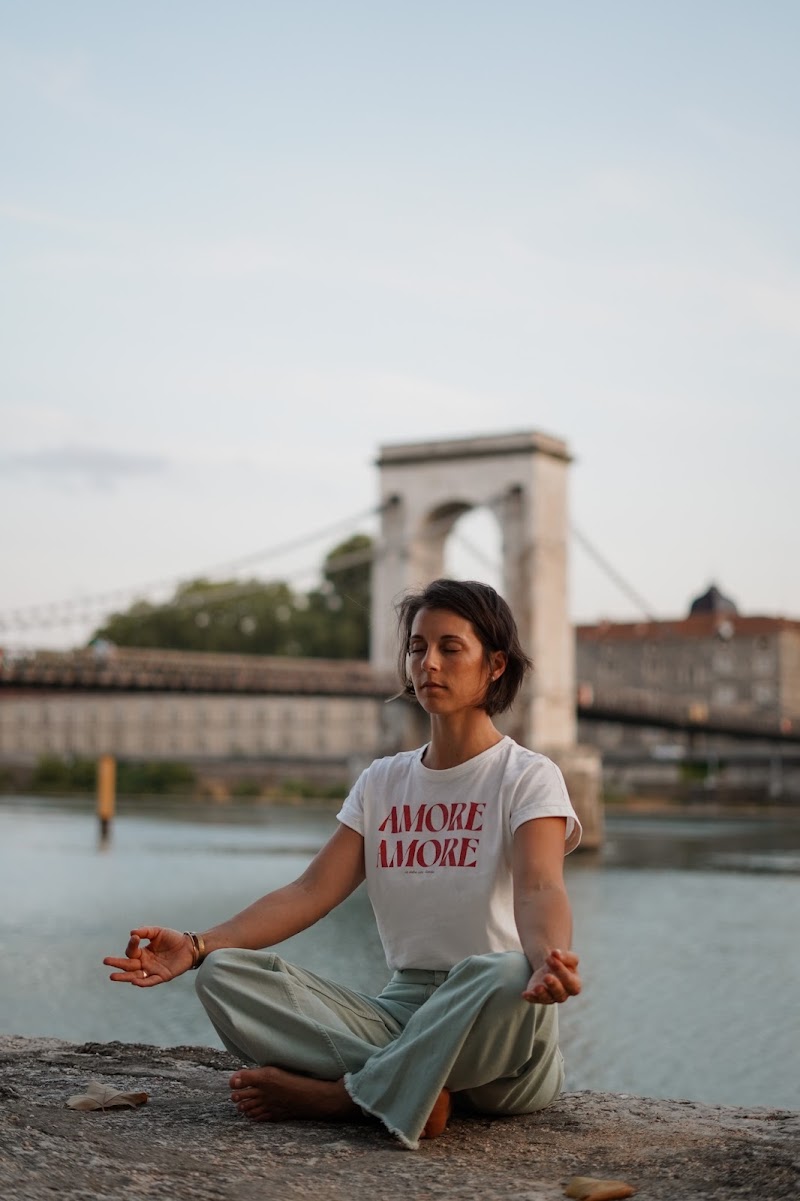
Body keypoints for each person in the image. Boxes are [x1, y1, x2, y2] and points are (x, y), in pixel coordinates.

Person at [104, 578, 582, 1150]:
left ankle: (343, 1097)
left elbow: (538, 887)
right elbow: (310, 892)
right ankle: (409, 1089)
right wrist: (198, 944)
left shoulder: (527, 776)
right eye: (416, 647)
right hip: (401, 1010)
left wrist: (545, 963)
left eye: (450, 647)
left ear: (495, 664)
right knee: (226, 975)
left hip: (497, 1023)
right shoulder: (382, 781)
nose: (427, 662)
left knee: (499, 971)